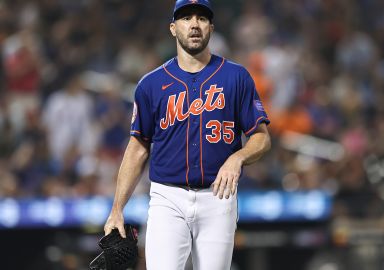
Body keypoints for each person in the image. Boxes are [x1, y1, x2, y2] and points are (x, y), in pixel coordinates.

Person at [103, 0, 271, 269]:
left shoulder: (236, 77)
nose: (194, 24)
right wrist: (116, 209)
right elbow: (137, 148)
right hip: (167, 198)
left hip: (218, 197)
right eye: (186, 18)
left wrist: (238, 157)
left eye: (202, 18)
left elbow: (262, 137)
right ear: (173, 28)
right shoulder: (151, 84)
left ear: (211, 28)